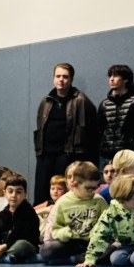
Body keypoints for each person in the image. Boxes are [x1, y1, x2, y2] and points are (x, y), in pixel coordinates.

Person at [34, 62, 98, 205]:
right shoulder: (46, 101)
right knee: (41, 194)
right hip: (45, 154)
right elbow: (40, 127)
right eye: (58, 76)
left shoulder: (81, 100)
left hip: (68, 154)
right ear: (53, 78)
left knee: (64, 194)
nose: (61, 80)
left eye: (65, 76)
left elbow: (92, 132)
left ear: (71, 79)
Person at [76, 175, 134, 267]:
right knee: (116, 259)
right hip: (126, 244)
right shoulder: (112, 211)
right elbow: (100, 234)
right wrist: (90, 259)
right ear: (122, 201)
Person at [40, 161, 108, 265]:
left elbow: (107, 225)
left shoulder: (99, 201)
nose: (93, 191)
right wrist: (68, 233)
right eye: (88, 188)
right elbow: (55, 230)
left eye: (95, 187)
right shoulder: (62, 202)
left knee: (110, 250)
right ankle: (80, 258)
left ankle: (74, 259)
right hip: (71, 242)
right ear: (75, 184)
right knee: (46, 250)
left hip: (92, 242)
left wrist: (95, 233)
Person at [97, 64, 134, 164]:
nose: (111, 79)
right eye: (110, 76)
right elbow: (98, 129)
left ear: (126, 79)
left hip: (128, 156)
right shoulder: (104, 104)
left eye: (115, 76)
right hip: (106, 156)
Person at [0, 175, 40, 263]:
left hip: (21, 246)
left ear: (25, 194)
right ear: (4, 193)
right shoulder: (2, 214)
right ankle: (6, 258)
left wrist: (6, 246)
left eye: (18, 192)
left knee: (22, 245)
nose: (14, 195)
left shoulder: (29, 212)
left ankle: (2, 257)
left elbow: (25, 236)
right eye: (10, 191)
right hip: (5, 247)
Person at [34, 175, 67, 242]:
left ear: (66, 191)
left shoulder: (66, 204)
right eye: (52, 188)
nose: (55, 191)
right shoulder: (48, 203)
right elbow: (30, 212)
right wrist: (44, 210)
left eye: (59, 189)